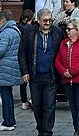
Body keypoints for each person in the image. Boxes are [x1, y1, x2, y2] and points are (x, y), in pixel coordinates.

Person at [18, 8, 64, 136]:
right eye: (45, 20)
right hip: (35, 76)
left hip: (51, 76)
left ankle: (47, 132)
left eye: (50, 20)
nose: (48, 23)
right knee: (37, 106)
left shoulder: (57, 32)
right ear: (38, 20)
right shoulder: (29, 33)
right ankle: (41, 129)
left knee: (49, 106)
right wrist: (24, 71)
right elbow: (21, 52)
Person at [54, 18, 79, 136]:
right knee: (73, 106)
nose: (67, 31)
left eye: (70, 29)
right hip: (67, 80)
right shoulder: (64, 42)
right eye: (67, 29)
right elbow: (57, 60)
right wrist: (63, 72)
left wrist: (72, 71)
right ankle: (76, 129)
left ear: (77, 29)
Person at [0, 10, 22, 131]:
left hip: (4, 67)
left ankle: (8, 122)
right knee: (8, 95)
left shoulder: (5, 33)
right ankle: (11, 120)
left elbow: (0, 50)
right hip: (12, 66)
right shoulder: (16, 30)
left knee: (6, 95)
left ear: (2, 20)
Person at [17, 9, 34, 111]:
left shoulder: (18, 27)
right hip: (30, 55)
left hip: (21, 56)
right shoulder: (31, 29)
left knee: (23, 81)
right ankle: (32, 99)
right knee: (32, 80)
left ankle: (23, 101)